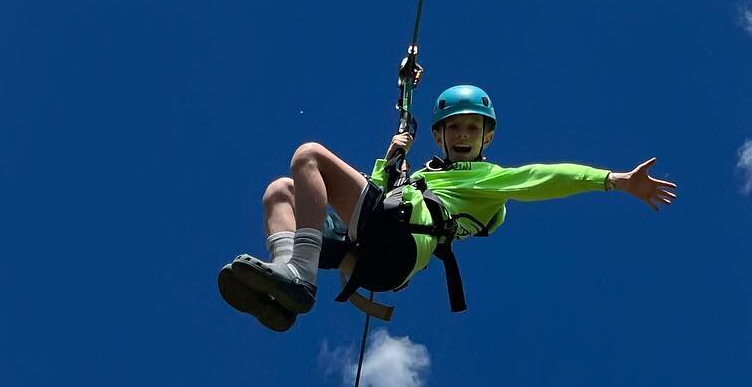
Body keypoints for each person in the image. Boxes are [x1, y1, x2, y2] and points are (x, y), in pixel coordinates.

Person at [218, 83, 676, 329]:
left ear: (487, 137)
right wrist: (393, 157)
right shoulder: (423, 176)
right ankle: (285, 288)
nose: (461, 136)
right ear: (438, 135)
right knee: (279, 190)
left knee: (309, 156)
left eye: (472, 130)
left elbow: (544, 177)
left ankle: (298, 277)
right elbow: (374, 193)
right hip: (373, 239)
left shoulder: (488, 181)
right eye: (453, 129)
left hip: (397, 243)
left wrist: (612, 181)